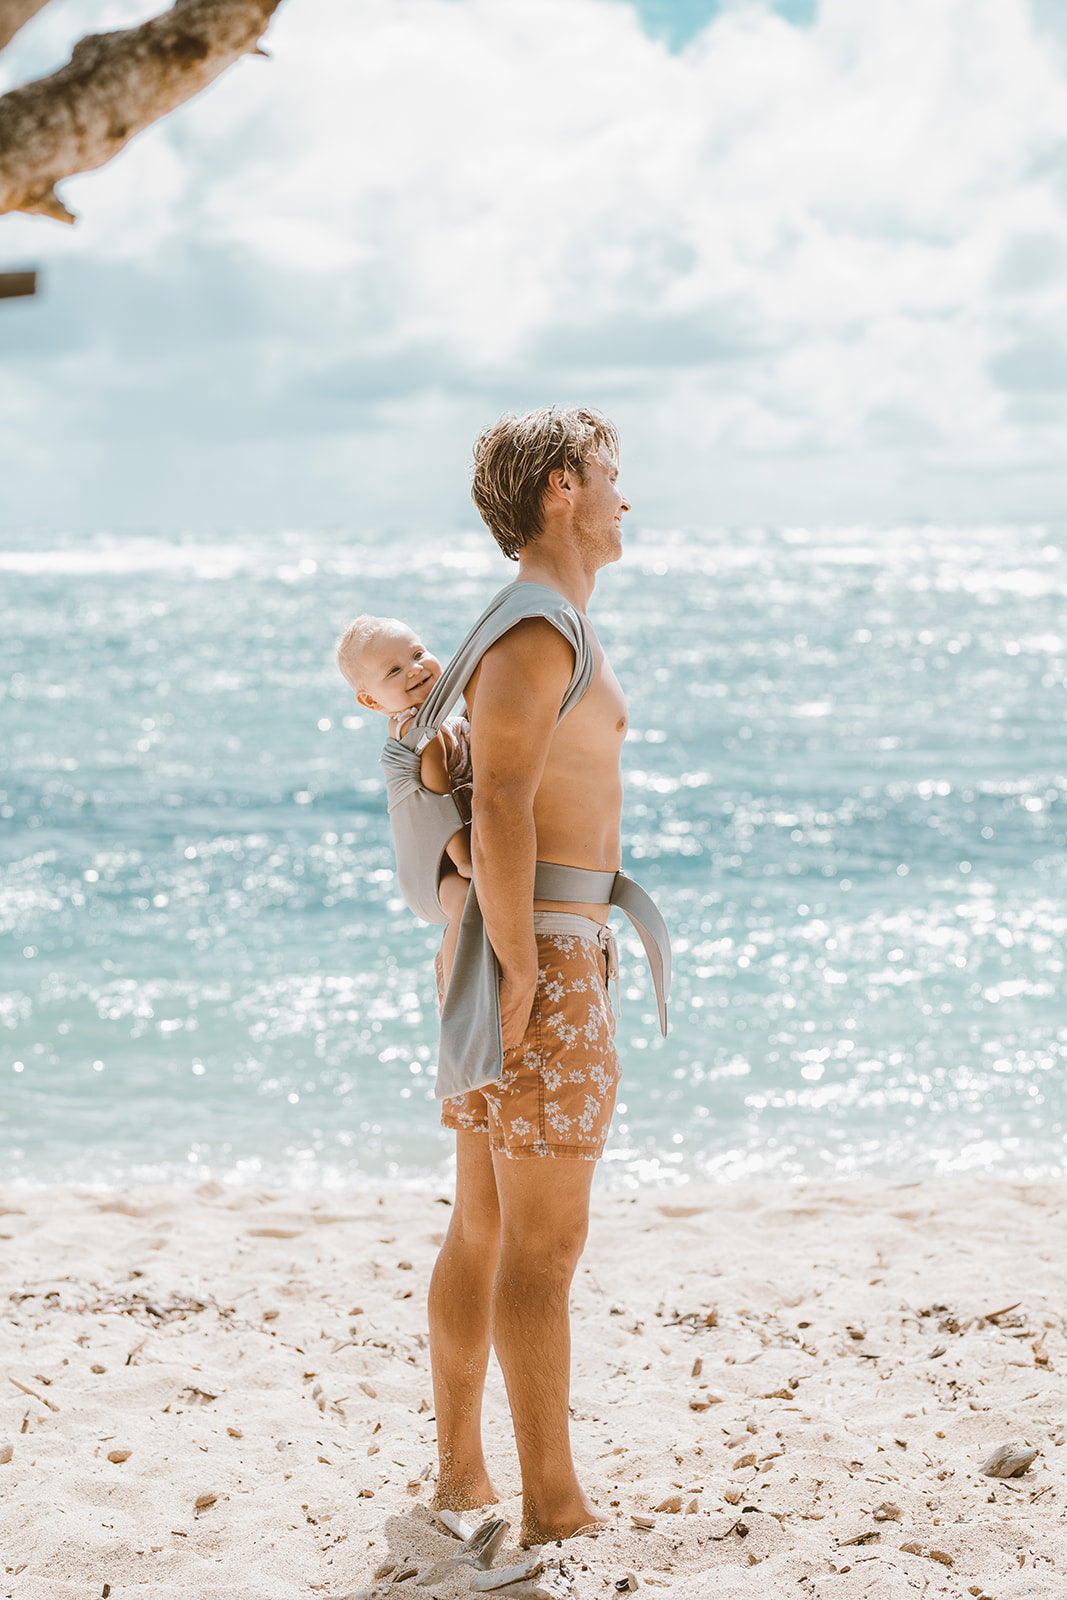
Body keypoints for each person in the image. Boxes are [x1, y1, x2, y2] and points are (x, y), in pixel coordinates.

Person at [428, 405, 637, 1546]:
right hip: (539, 951)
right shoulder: (537, 627)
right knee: (538, 1244)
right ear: (561, 488)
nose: (623, 495)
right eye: (610, 474)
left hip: (524, 945)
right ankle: (551, 1503)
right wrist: (524, 968)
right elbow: (499, 799)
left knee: (486, 1227)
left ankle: (462, 1480)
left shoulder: (540, 621)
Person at [336, 616, 472, 986]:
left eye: (418, 653)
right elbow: (436, 792)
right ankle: (459, 990)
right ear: (371, 701)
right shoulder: (415, 730)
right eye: (394, 670)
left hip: (437, 860)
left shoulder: (440, 718)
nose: (414, 669)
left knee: (470, 904)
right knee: (464, 901)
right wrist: (463, 858)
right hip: (434, 871)